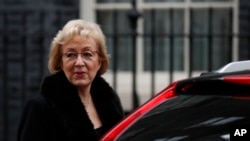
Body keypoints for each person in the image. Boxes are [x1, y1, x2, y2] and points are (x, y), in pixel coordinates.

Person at [17, 19, 124, 141]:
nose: (79, 62)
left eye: (87, 54)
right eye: (71, 55)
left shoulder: (111, 104)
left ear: (99, 62)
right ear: (61, 63)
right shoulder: (39, 108)